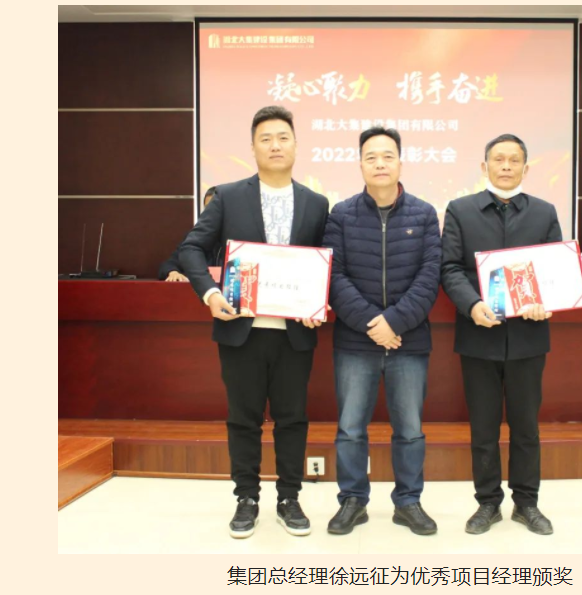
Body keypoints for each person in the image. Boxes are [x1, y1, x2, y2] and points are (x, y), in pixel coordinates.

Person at [179, 106, 329, 538]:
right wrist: (210, 293)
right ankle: (246, 499)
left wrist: (318, 302)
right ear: (253, 147)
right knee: (243, 419)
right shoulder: (228, 196)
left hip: (295, 333)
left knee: (292, 418)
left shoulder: (316, 203)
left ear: (296, 145)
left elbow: (326, 263)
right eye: (266, 138)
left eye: (283, 137)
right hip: (240, 329)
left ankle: (289, 498)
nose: (275, 145)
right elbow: (191, 248)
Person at [322, 127, 441, 536]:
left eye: (387, 156)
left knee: (409, 430)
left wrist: (395, 322)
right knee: (350, 429)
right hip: (356, 341)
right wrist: (375, 325)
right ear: (360, 164)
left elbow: (429, 277)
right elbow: (334, 277)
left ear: (400, 163)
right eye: (371, 157)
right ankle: (352, 501)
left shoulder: (424, 214)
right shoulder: (341, 214)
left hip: (409, 340)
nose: (380, 163)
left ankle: (408, 502)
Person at [441, 134, 561, 536]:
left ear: (526, 168)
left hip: (528, 336)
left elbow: (553, 271)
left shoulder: (544, 212)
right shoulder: (460, 210)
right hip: (479, 334)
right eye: (498, 159)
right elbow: (449, 268)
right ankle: (487, 503)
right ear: (484, 166)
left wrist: (545, 301)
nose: (506, 166)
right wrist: (472, 304)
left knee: (526, 427)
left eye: (514, 160)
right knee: (484, 427)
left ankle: (527, 503)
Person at [158, 187, 222, 281]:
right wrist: (173, 272)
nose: (211, 213)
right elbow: (169, 264)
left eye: (215, 209)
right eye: (207, 209)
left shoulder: (239, 236)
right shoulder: (196, 237)